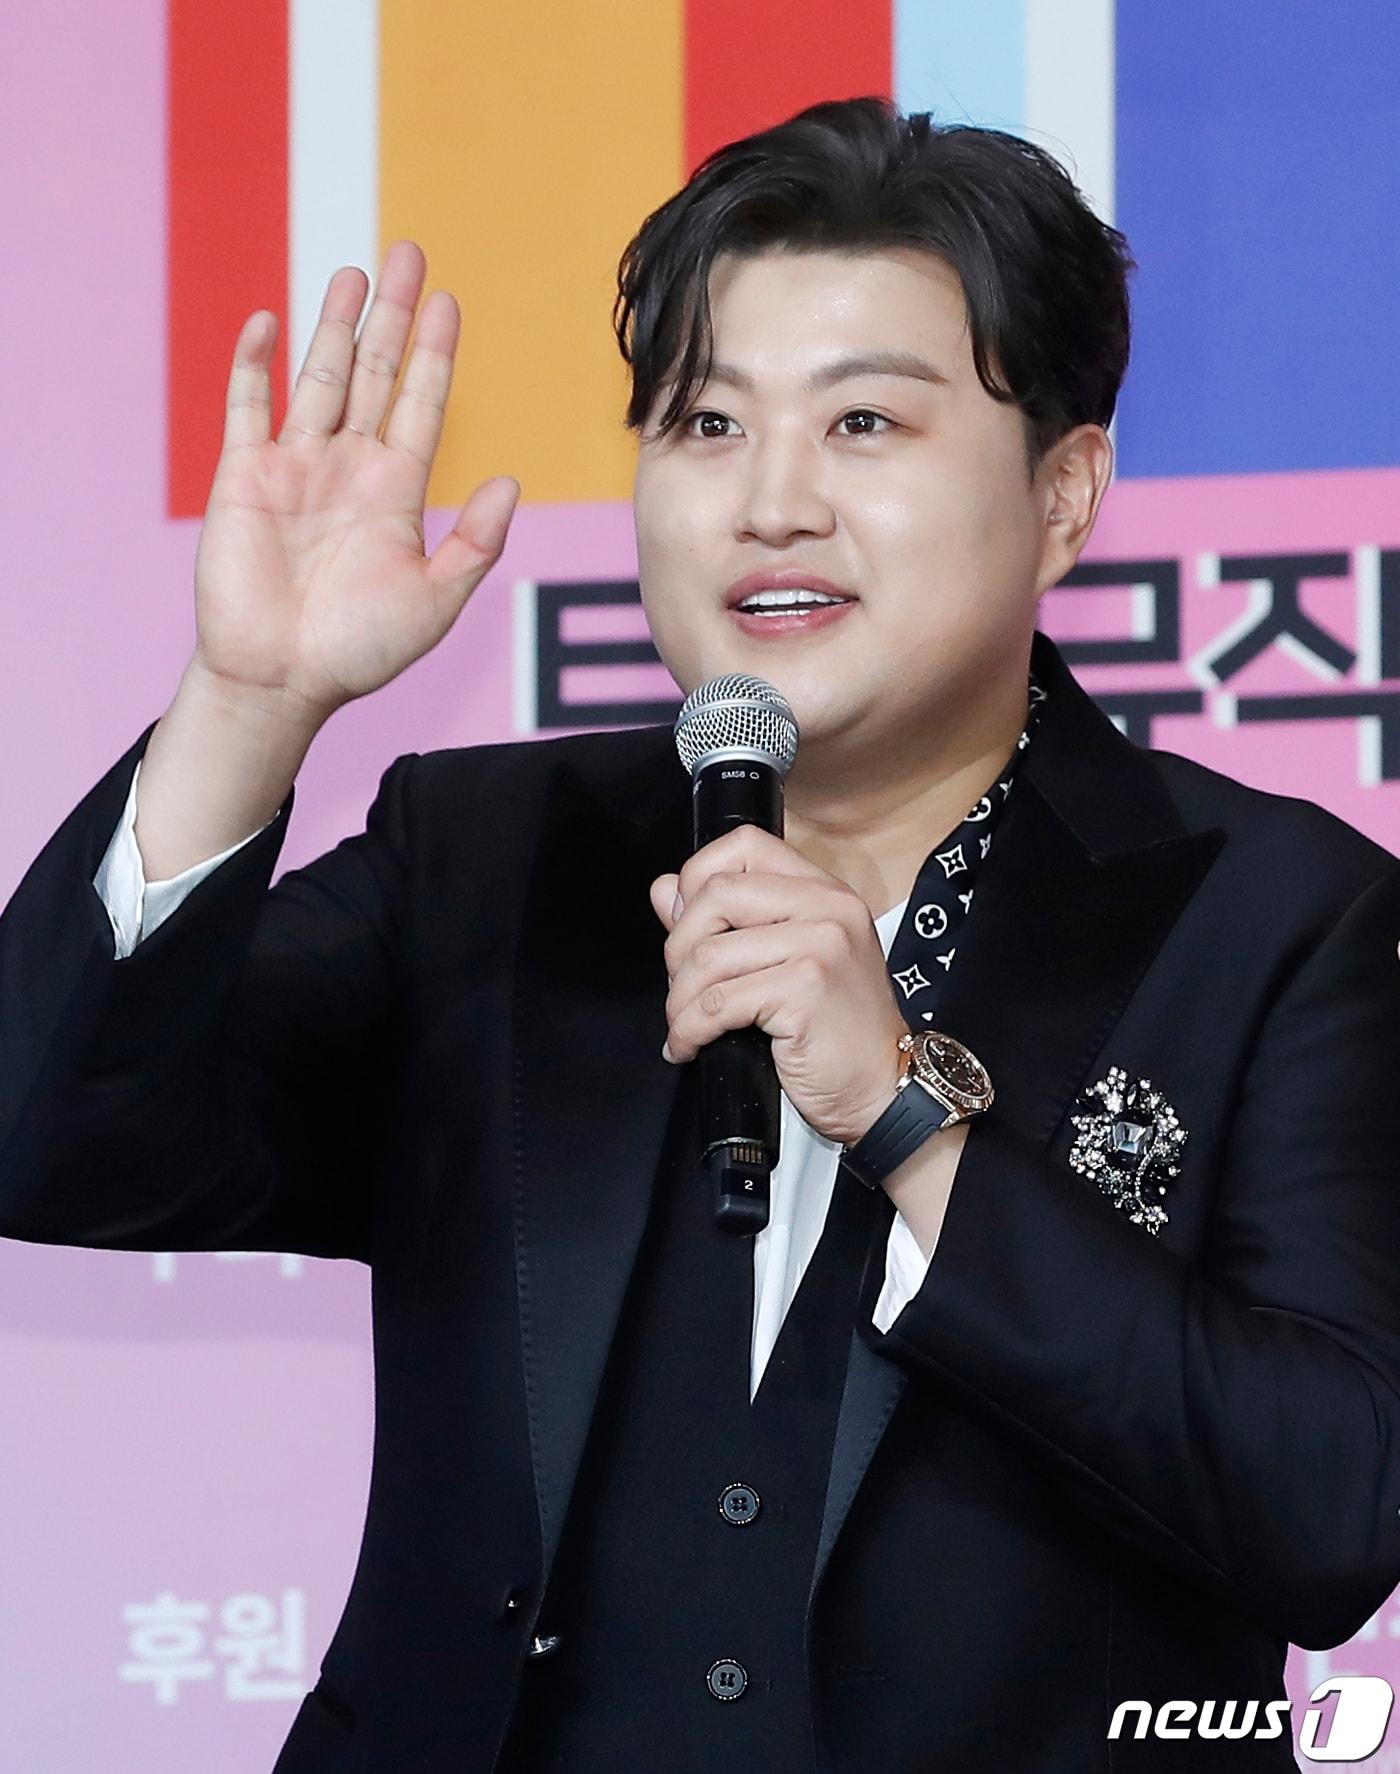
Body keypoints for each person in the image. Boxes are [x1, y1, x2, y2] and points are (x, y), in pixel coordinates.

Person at [2, 95, 1400, 1772]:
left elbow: (1333, 1506)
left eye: (865, 422)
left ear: (1065, 491)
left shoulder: (1278, 911)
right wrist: (248, 701)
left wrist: (910, 1117)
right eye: (707, 424)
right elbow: (49, 1140)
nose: (772, 503)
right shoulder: (487, 857)